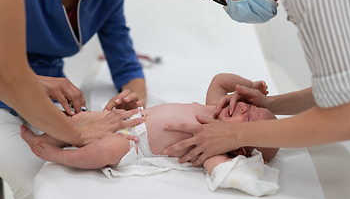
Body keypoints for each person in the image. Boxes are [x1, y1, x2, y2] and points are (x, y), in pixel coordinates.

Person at [163, 0, 350, 167]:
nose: (228, 7)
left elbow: (348, 116)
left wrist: (234, 135)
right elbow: (344, 89)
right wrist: (269, 105)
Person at [0, 0, 146, 199]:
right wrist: (35, 82)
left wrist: (135, 104)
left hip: (52, 96)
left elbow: (125, 61)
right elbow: (10, 76)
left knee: (82, 178)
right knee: (38, 186)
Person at [20, 73, 279, 171]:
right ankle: (46, 137)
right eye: (252, 108)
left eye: (249, 120)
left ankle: (61, 157)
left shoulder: (214, 147)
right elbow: (219, 80)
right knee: (82, 119)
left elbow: (219, 170)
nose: (246, 109)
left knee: (107, 150)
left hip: (132, 145)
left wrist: (241, 164)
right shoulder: (215, 106)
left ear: (240, 149)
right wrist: (247, 87)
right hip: (126, 119)